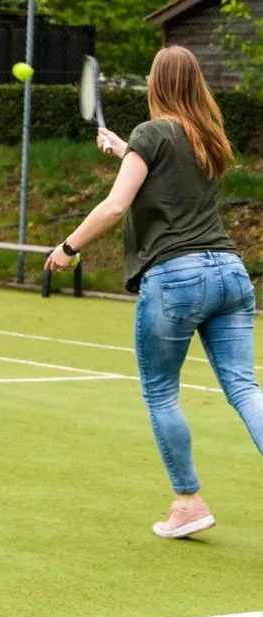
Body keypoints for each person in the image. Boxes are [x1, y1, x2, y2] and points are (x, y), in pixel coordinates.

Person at [47, 45, 263, 539]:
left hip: (177, 279)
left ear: (156, 84)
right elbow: (172, 183)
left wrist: (68, 247)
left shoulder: (153, 132)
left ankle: (187, 503)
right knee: (245, 389)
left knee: (161, 393)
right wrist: (128, 152)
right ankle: (185, 503)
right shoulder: (208, 136)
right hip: (230, 273)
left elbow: (115, 205)